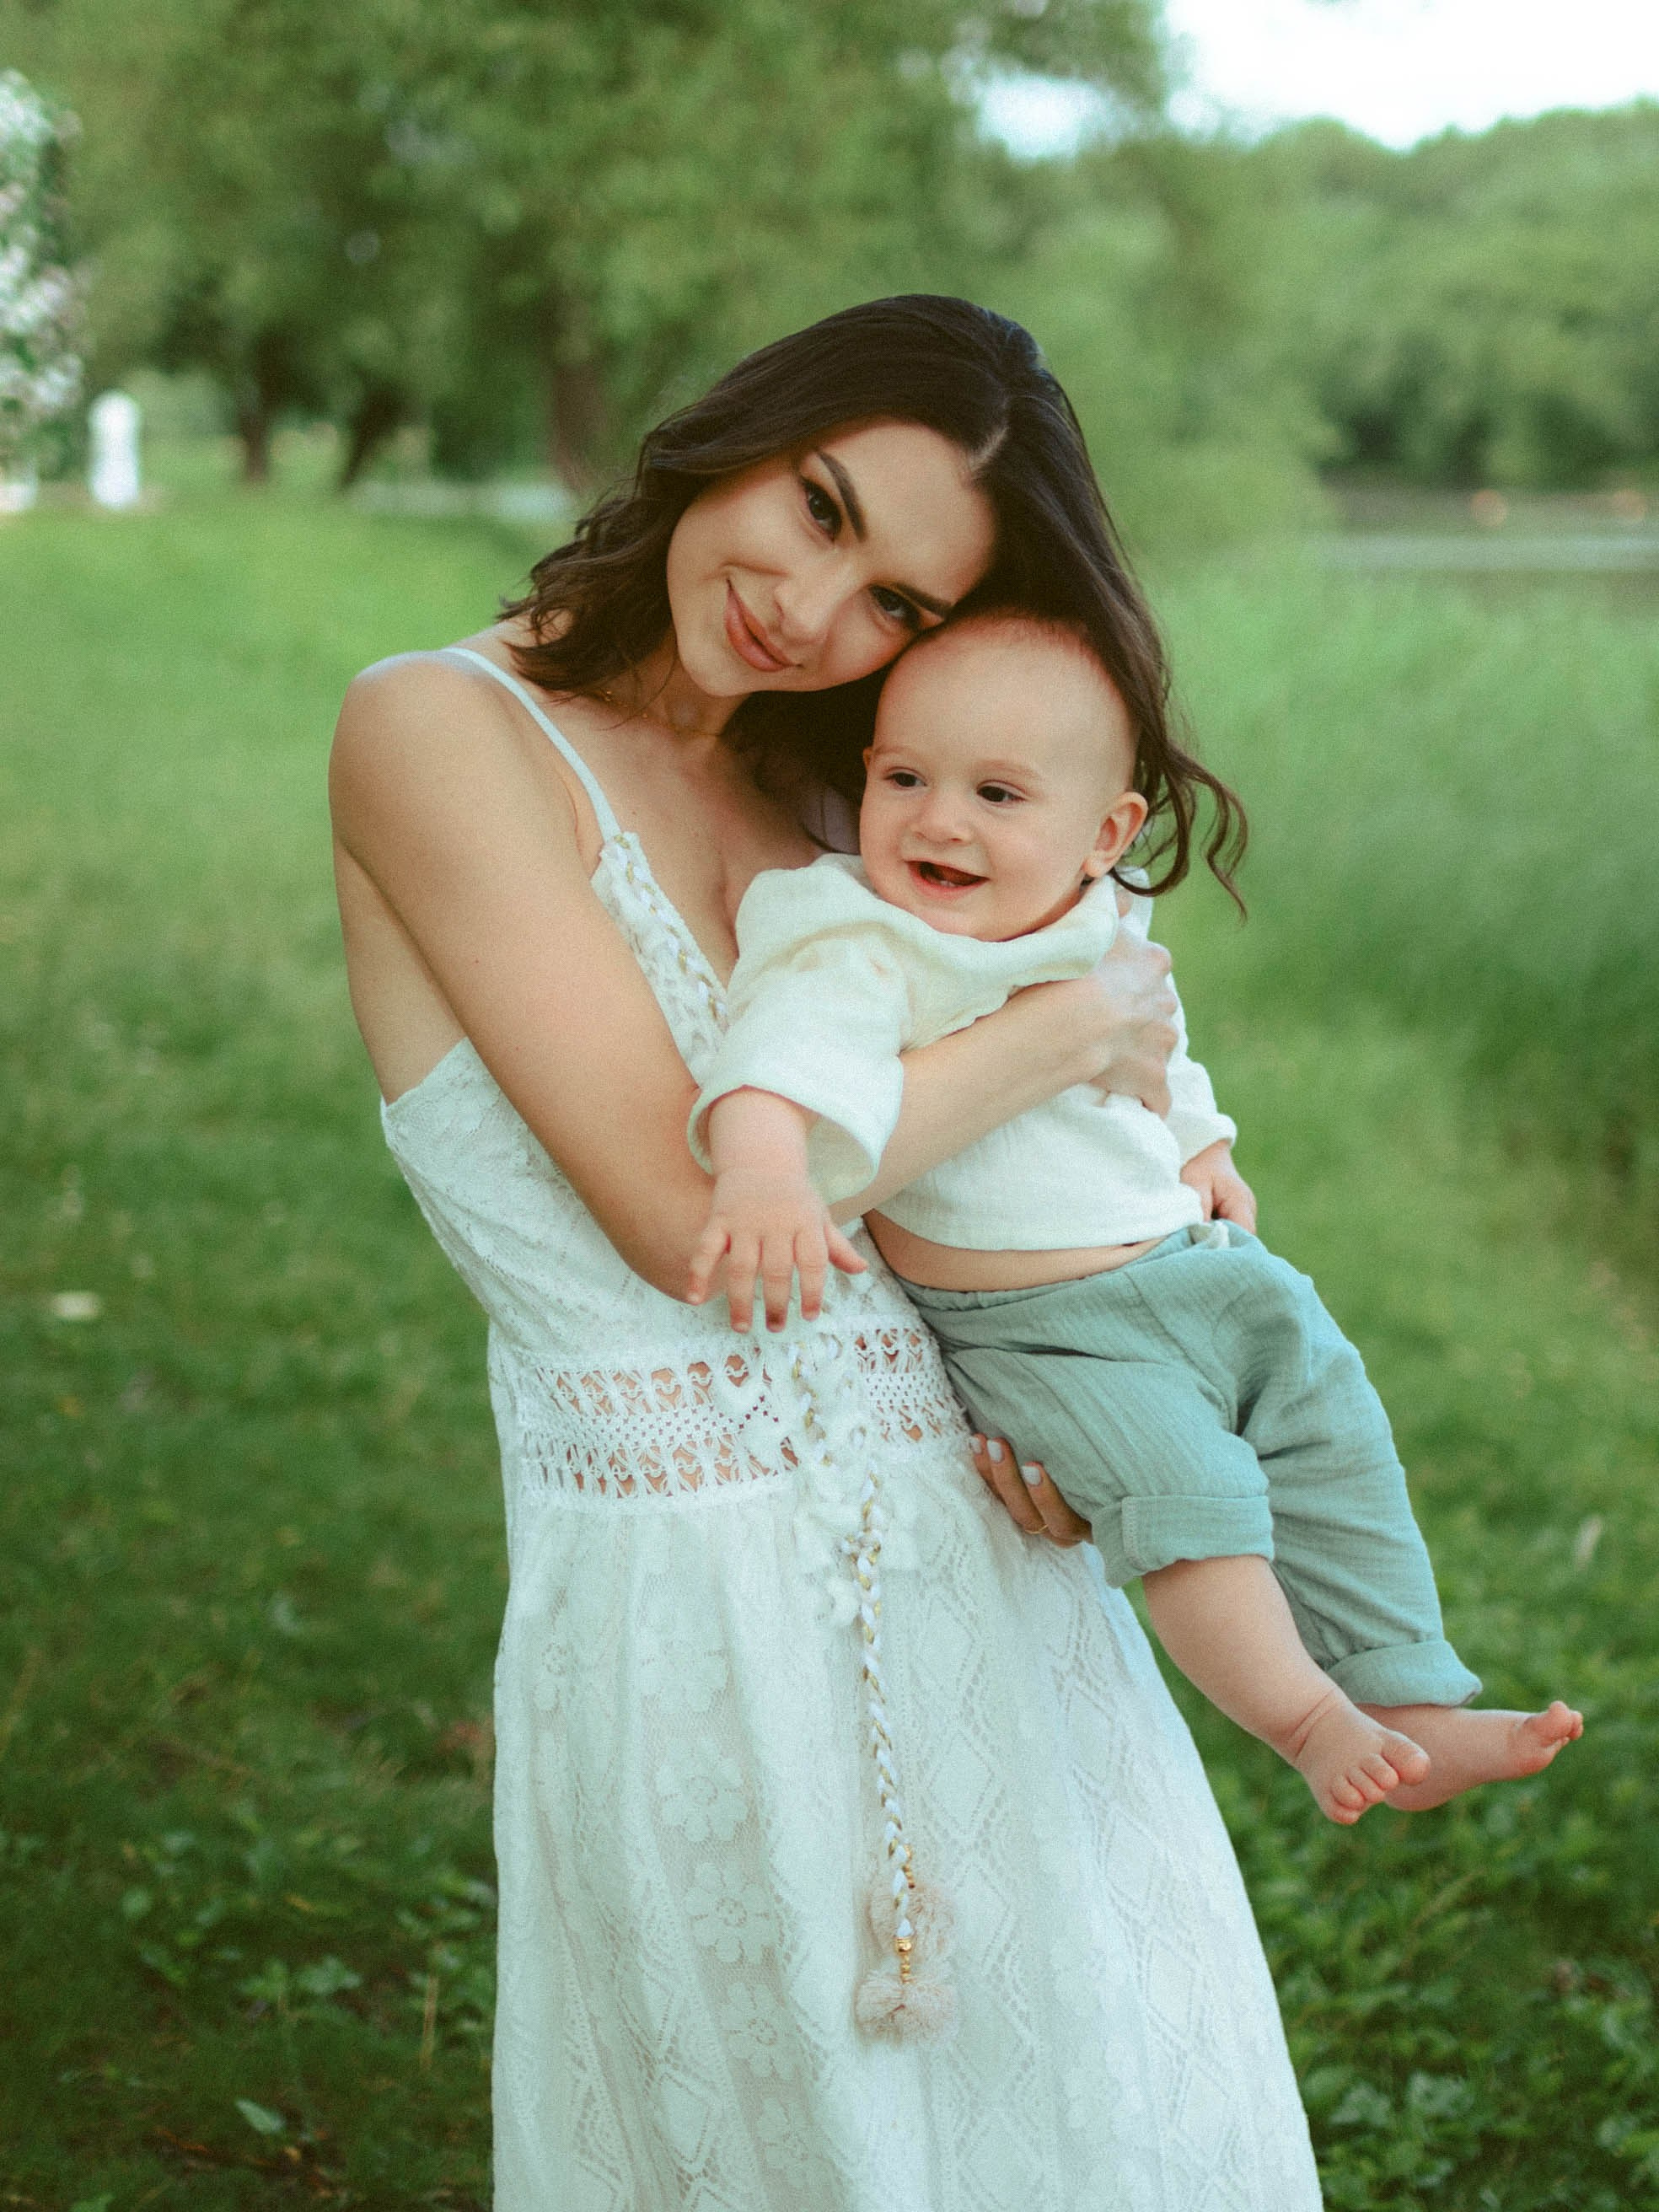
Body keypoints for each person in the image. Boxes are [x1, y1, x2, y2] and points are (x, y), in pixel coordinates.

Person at [330, 295, 1324, 2207]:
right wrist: (1065, 1025)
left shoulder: (842, 793)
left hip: (997, 1570)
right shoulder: (440, 731)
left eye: (896, 602)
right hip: (690, 1609)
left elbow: (985, 1198)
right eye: (816, 504)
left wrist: (1060, 1397)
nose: (812, 600)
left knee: (1110, 2124)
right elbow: (689, 1218)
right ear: (740, 430)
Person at [688, 609, 1585, 1833]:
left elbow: (1162, 1048)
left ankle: (1408, 1687)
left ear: (1102, 833)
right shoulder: (864, 937)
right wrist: (764, 1179)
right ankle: (1306, 1718)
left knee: (1333, 1429)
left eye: (998, 793)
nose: (938, 819)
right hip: (1040, 1323)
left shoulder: (1099, 917)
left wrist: (1201, 1142)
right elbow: (773, 1062)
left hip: (1194, 1267)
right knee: (1189, 1495)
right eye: (904, 778)